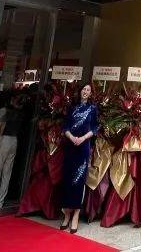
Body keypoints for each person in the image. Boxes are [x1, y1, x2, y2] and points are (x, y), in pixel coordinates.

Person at [59, 83, 98, 234]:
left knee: (78, 180)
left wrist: (82, 138)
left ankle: (76, 214)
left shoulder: (92, 109)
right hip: (70, 147)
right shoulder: (72, 107)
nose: (85, 92)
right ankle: (66, 214)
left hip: (83, 148)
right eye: (84, 89)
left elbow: (95, 128)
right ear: (80, 91)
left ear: (91, 93)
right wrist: (72, 137)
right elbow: (65, 127)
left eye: (88, 90)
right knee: (68, 179)